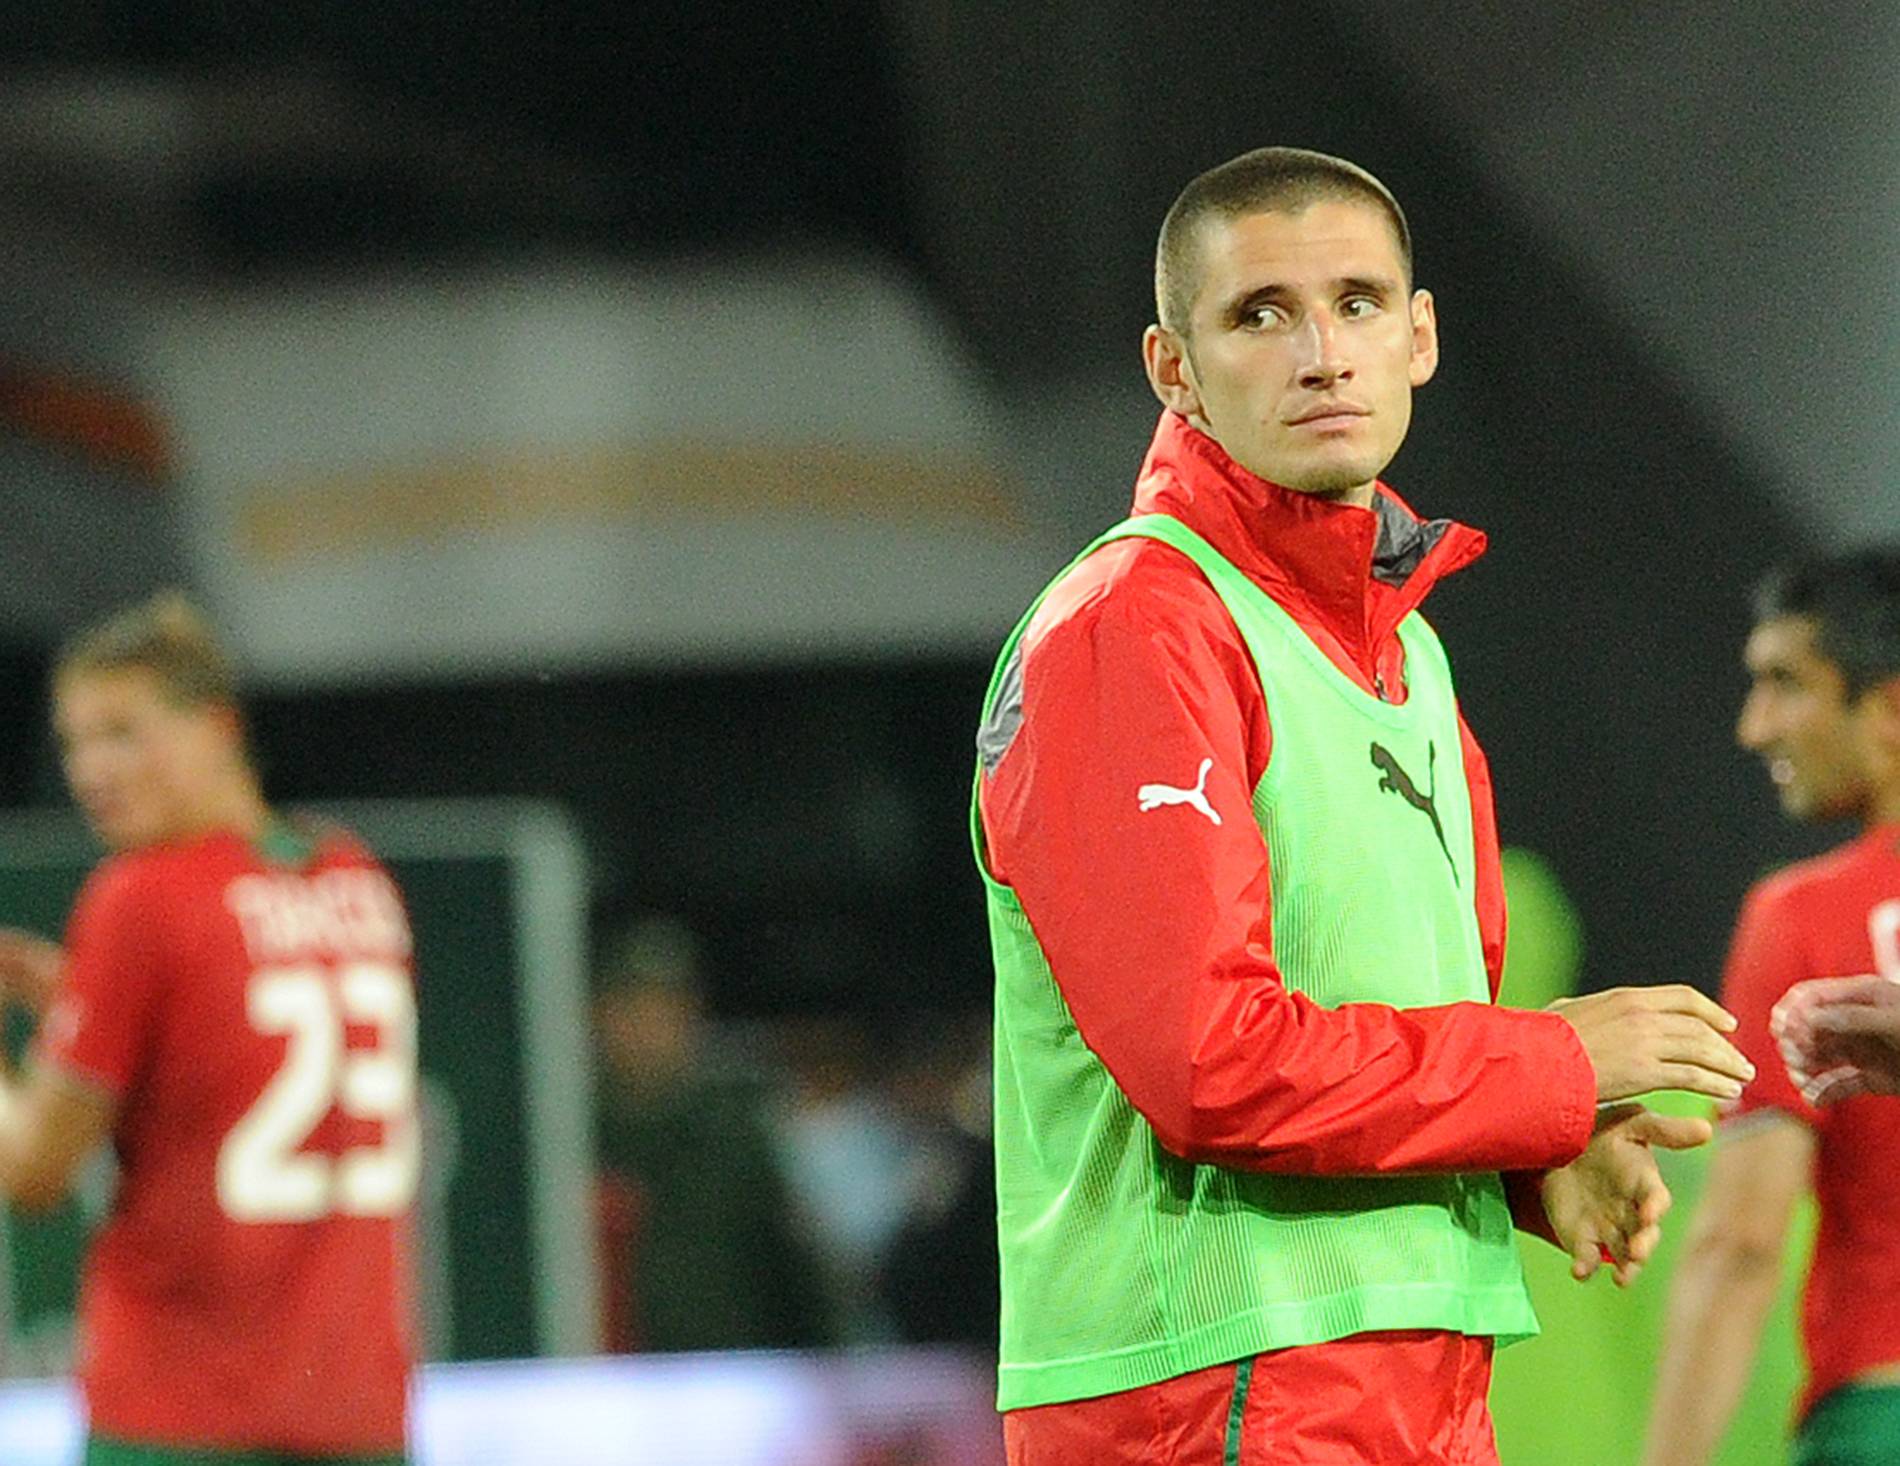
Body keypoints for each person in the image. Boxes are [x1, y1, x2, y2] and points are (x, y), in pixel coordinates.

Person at [972, 145, 1755, 1465]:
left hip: (1410, 1377)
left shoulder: (1408, 652)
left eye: (1356, 302)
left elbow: (1395, 1019)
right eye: (1259, 314)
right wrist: (1556, 1065)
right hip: (1212, 1389)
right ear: (1174, 369)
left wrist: (1531, 1153)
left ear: (1419, 335)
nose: (1322, 355)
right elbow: (1211, 1065)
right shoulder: (1136, 628)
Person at [0, 593, 417, 1465]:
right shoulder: (355, 875)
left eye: (123, 732)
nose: (92, 771)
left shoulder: (140, 896)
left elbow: (33, 1171)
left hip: (180, 1417)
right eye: (75, 742)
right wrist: (84, 1001)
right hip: (358, 1414)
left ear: (218, 726)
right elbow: (237, 1046)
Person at [1642, 550, 1900, 1466]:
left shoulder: (1806, 918)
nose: (1753, 728)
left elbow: (1740, 1246)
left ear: (1891, 707)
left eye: (1787, 683)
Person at [590, 915, 835, 1351]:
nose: (648, 1028)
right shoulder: (573, 1137)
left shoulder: (735, 1136)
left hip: (726, 1372)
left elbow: (796, 1275)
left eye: (665, 1008)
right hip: (607, 1376)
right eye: (631, 1007)